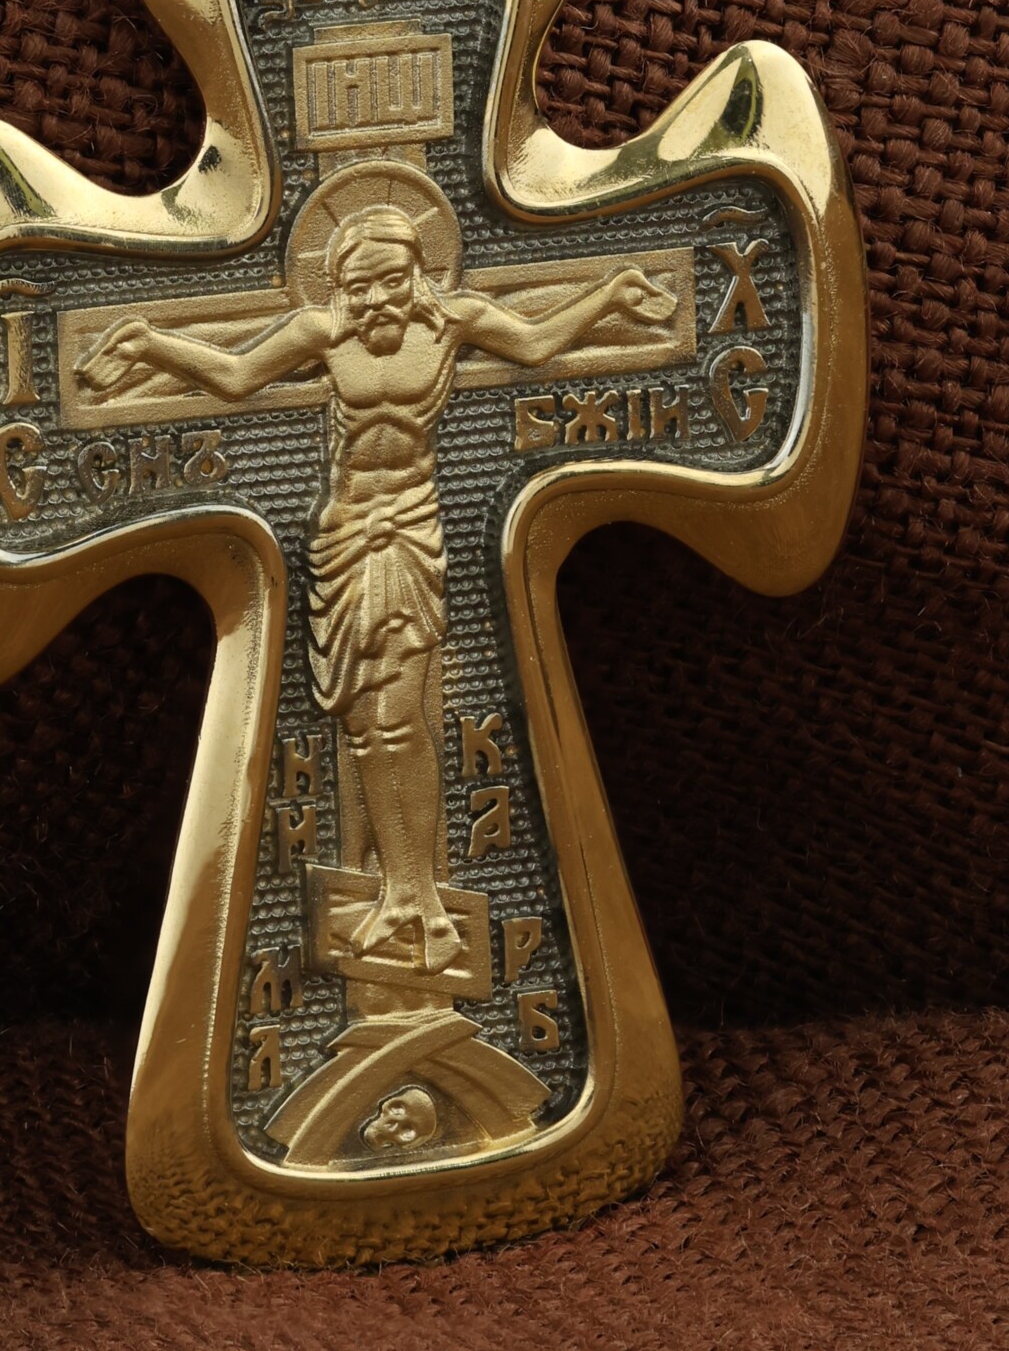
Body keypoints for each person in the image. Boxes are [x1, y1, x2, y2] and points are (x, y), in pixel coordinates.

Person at [78, 203, 675, 975]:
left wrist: (611, 294)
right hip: (344, 534)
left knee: (399, 718)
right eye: (358, 288)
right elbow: (235, 376)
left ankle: (422, 896)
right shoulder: (322, 333)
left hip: (410, 529)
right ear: (338, 289)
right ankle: (398, 894)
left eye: (390, 281)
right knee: (365, 728)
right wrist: (149, 343)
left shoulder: (454, 321)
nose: (376, 301)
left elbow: (533, 344)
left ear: (418, 272)